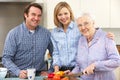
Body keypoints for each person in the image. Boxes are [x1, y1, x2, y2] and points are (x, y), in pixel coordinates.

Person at [51, 1, 114, 73]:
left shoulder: (79, 26)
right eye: (60, 14)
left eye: (66, 13)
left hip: (78, 68)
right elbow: (56, 52)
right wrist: (56, 69)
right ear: (56, 16)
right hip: (61, 70)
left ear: (70, 13)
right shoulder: (54, 33)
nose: (63, 17)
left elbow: (92, 31)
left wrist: (106, 35)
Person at [2, 3, 53, 79]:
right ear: (26, 15)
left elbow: (56, 54)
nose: (36, 18)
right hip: (18, 76)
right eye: (33, 14)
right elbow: (6, 58)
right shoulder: (14, 34)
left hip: (39, 76)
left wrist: (50, 71)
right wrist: (18, 71)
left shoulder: (46, 34)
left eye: (39, 15)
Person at [71, 12, 120, 80]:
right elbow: (79, 64)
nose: (83, 27)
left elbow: (116, 61)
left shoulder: (106, 37)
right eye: (79, 25)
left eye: (86, 23)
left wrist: (95, 65)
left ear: (93, 23)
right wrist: (72, 74)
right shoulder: (81, 40)